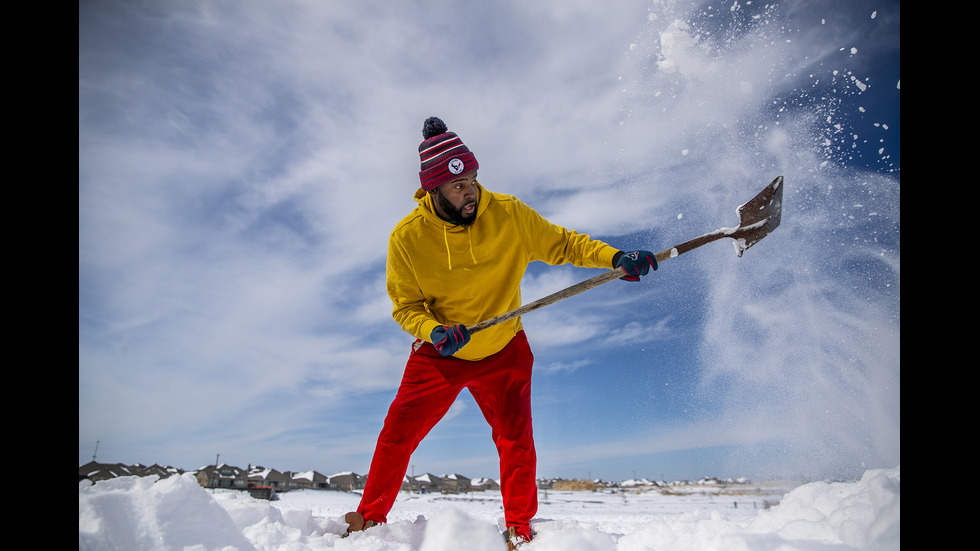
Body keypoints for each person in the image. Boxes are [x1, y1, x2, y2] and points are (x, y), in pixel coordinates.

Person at [343, 117, 658, 549]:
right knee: (397, 435)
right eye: (457, 187)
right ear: (433, 191)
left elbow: (565, 244)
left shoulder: (508, 212)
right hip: (441, 353)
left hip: (504, 347)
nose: (469, 191)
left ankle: (519, 527)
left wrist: (616, 257)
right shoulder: (407, 238)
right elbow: (406, 308)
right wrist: (435, 331)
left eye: (472, 180)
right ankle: (368, 521)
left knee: (516, 440)